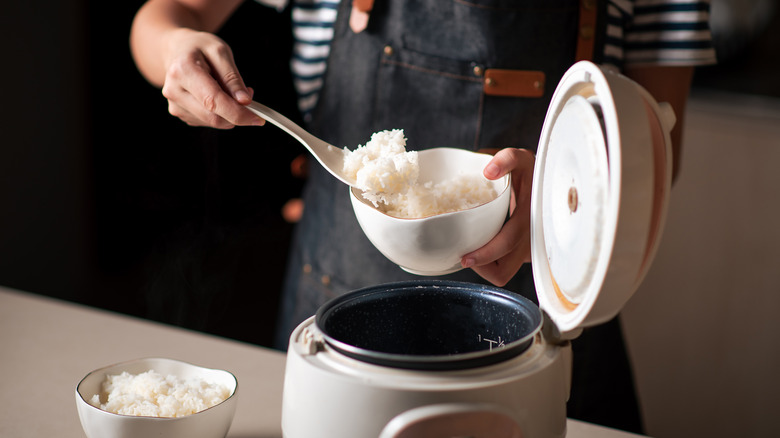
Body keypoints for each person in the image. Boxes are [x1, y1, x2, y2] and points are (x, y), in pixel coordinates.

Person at [130, 0, 716, 432]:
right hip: (338, 331)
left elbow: (657, 150)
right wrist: (176, 49)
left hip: (545, 329)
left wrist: (570, 184)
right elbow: (162, 17)